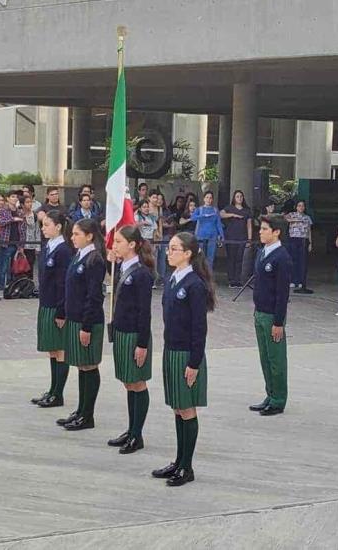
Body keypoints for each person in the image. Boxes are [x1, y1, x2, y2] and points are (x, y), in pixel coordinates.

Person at [152, 231, 214, 487]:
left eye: (175, 249)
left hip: (187, 354)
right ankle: (178, 461)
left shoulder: (194, 285)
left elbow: (199, 328)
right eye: (170, 248)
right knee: (178, 407)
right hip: (171, 349)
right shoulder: (173, 279)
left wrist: (194, 363)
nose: (169, 252)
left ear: (188, 254)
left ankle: (187, 466)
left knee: (187, 409)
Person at [106, 225, 155, 455]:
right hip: (122, 332)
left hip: (135, 334)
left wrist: (142, 343)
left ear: (132, 244)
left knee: (137, 382)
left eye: (118, 242)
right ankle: (131, 429)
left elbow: (145, 312)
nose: (114, 246)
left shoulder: (141, 273)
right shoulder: (122, 267)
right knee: (128, 382)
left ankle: (138, 434)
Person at [56, 218, 106, 431]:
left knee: (89, 365)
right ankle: (81, 409)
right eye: (73, 234)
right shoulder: (80, 255)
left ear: (89, 236)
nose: (72, 238)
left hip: (88, 321)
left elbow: (94, 296)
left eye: (77, 234)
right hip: (75, 318)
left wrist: (86, 326)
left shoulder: (95, 260)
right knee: (81, 366)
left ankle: (88, 414)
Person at [249, 214, 292, 416]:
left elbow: (282, 293)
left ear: (276, 232)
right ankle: (270, 393)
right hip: (260, 311)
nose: (261, 231)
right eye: (261, 228)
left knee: (276, 359)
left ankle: (278, 399)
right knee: (264, 357)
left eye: (265, 229)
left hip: (273, 315)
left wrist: (278, 321)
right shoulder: (262, 252)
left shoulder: (281, 257)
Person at [32, 210, 73, 407]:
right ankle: (52, 389)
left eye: (47, 224)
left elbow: (64, 283)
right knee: (51, 350)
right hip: (45, 303)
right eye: (43, 224)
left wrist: (62, 310)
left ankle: (58, 393)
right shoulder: (49, 246)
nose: (43, 228)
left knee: (60, 350)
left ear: (58, 227)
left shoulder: (63, 250)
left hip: (57, 306)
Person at [220, 190, 253, 289]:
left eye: (241, 196)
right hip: (231, 237)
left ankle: (237, 279)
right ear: (234, 198)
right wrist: (233, 215)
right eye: (237, 196)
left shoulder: (247, 210)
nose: (239, 198)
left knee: (239, 259)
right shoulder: (229, 208)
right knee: (231, 258)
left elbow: (249, 225)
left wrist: (249, 239)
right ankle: (231, 279)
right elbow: (220, 214)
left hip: (242, 237)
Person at [0, 192, 23, 292]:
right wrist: (12, 219)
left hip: (16, 241)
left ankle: (10, 286)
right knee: (3, 265)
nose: (15, 199)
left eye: (16, 197)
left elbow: (22, 228)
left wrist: (21, 244)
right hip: (5, 241)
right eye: (12, 197)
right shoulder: (3, 210)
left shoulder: (19, 211)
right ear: (8, 198)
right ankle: (1, 287)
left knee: (13, 267)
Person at [191, 191, 224, 269]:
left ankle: (208, 277)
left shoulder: (215, 210)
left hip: (213, 236)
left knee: (210, 258)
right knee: (200, 257)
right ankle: (200, 277)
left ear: (212, 199)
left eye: (210, 198)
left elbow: (218, 224)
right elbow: (193, 218)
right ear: (204, 199)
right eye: (207, 197)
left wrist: (222, 236)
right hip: (201, 236)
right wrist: (202, 216)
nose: (209, 199)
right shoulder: (200, 209)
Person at [284, 200, 312, 292]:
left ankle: (300, 281)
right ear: (296, 207)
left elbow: (309, 231)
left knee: (302, 261)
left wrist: (310, 243)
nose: (301, 207)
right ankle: (293, 280)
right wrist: (296, 219)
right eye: (299, 206)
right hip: (293, 239)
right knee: (293, 260)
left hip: (303, 240)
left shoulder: (307, 217)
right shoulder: (292, 214)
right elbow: (284, 218)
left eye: (302, 206)